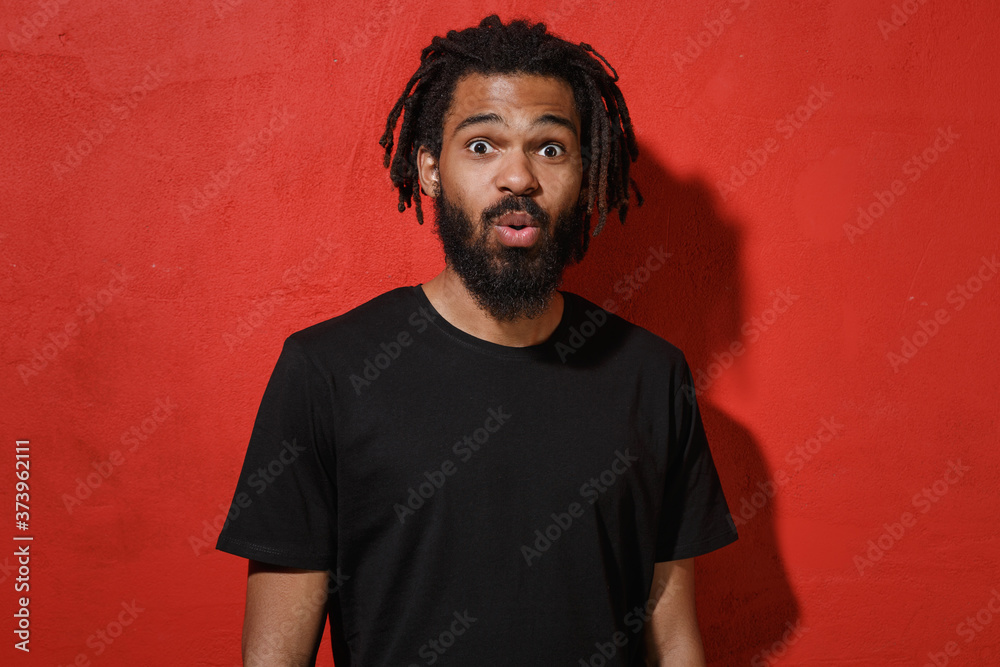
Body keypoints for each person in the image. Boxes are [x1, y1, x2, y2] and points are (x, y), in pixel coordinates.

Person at [216, 14, 738, 666]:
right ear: (430, 169)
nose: (518, 177)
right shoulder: (327, 372)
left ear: (585, 173)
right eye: (482, 145)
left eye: (550, 149)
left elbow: (676, 638)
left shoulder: (653, 376)